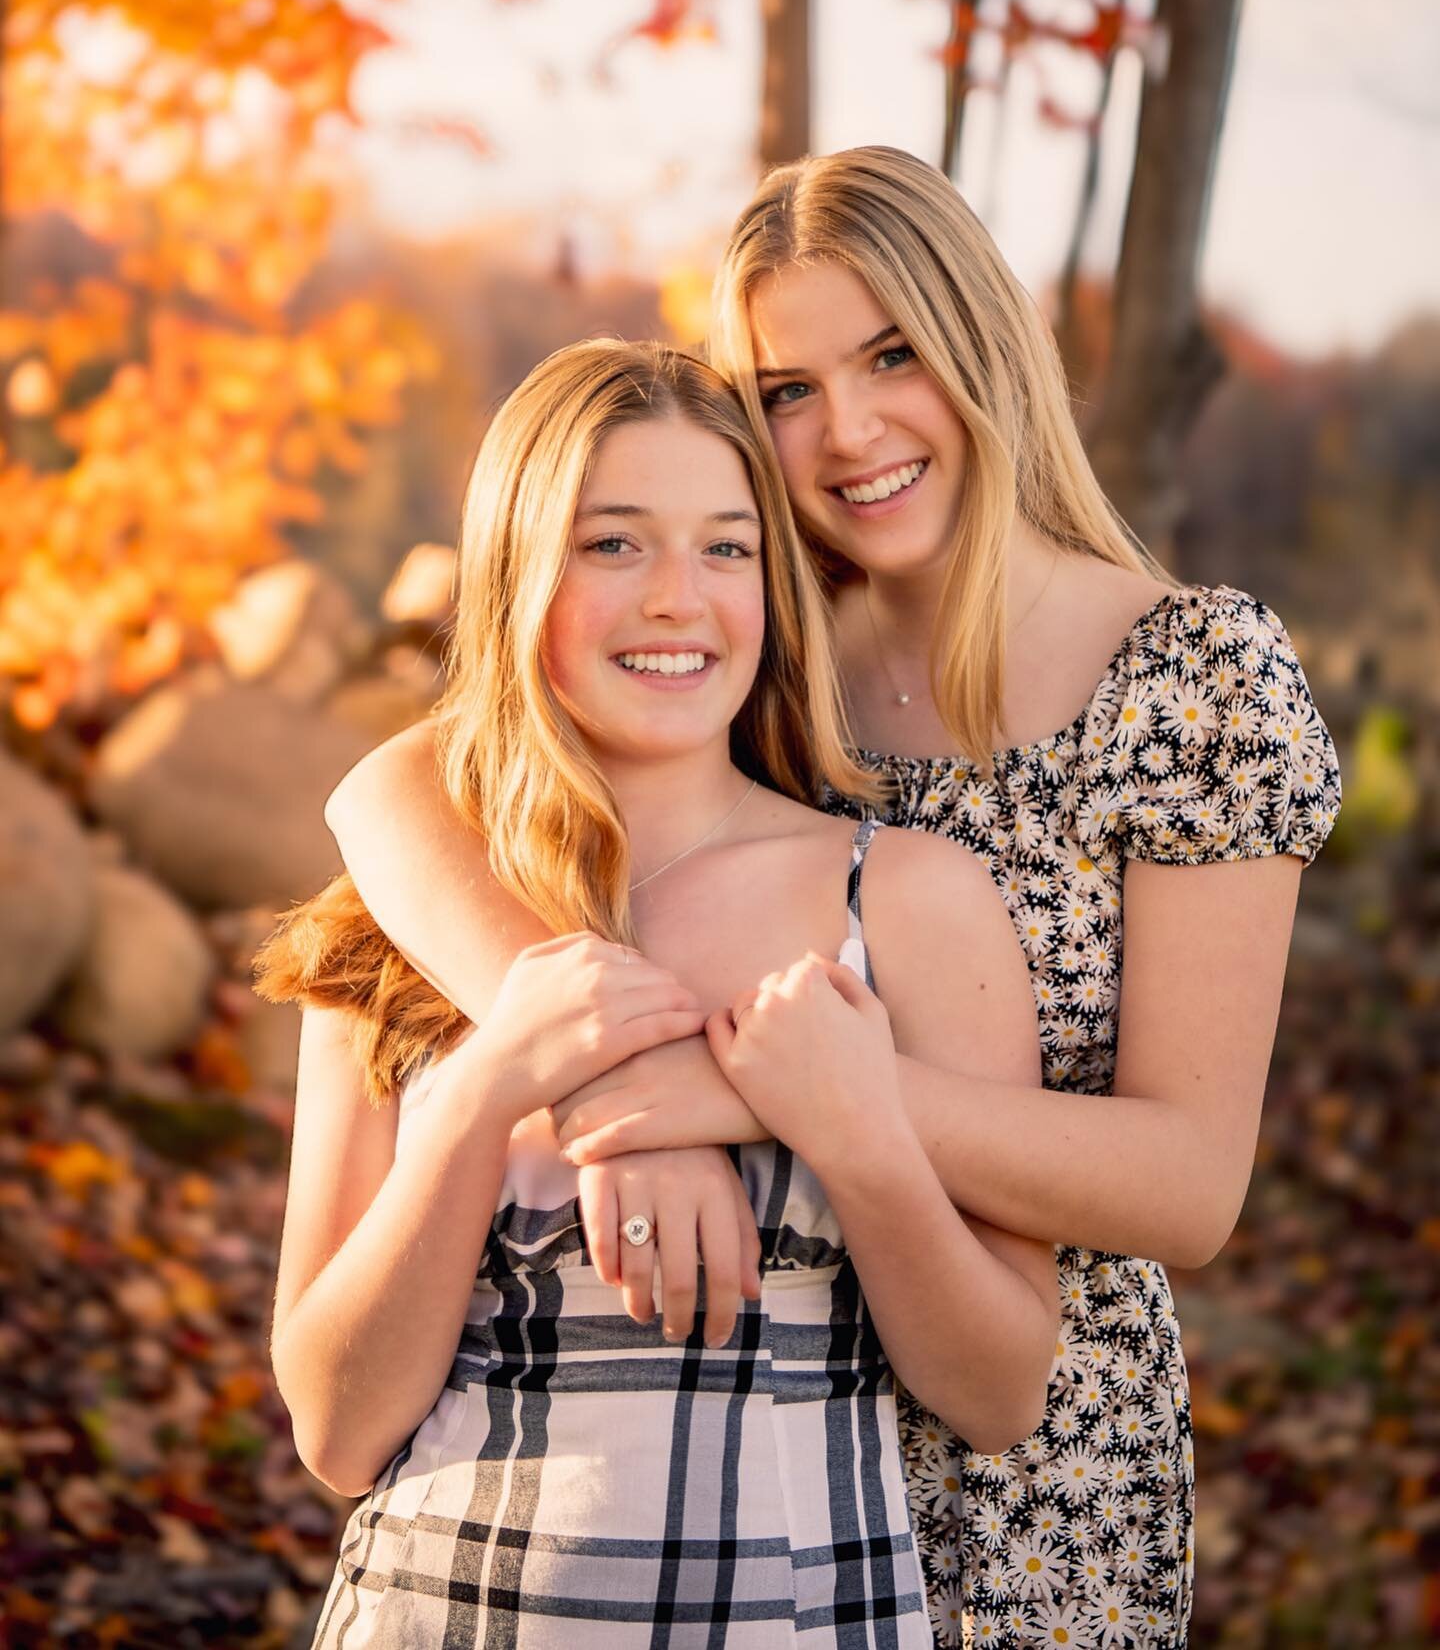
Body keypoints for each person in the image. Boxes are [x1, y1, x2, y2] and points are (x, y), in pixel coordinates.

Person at [323, 149, 1342, 1648]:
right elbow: (395, 790)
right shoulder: (766, 639)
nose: (848, 429)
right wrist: (621, 1065)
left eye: (891, 356)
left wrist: (762, 1090)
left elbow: (1187, 1186)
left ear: (982, 345)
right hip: (734, 1429)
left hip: (1026, 1466)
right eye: (786, 390)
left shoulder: (1187, 682)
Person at [259, 338, 1059, 1647]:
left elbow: (1000, 1394)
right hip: (445, 1611)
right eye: (612, 544)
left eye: (728, 548)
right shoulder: (401, 920)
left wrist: (861, 1138)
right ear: (520, 572)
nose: (678, 599)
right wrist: (489, 1096)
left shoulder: (905, 900)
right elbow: (338, 1431)